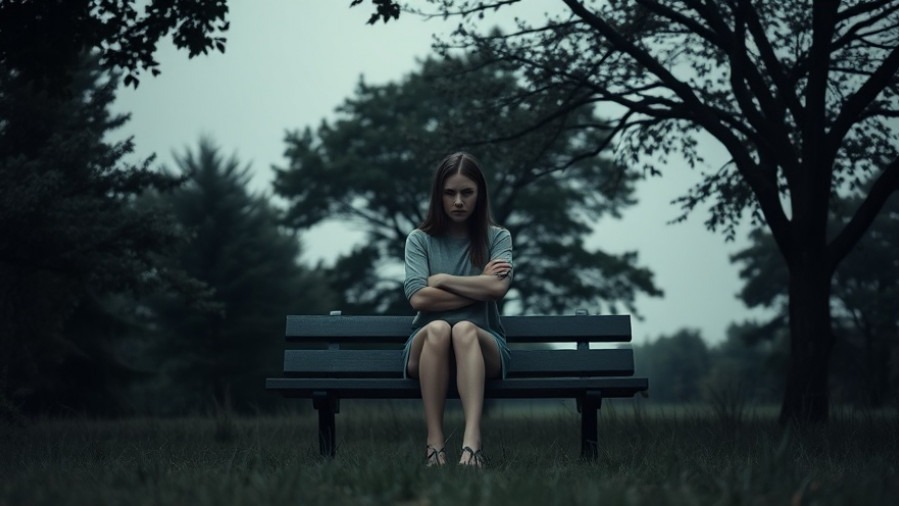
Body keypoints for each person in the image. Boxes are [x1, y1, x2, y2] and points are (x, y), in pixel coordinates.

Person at [402, 152, 513, 468]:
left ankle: (472, 442)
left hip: (483, 343)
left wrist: (442, 280)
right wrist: (479, 286)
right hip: (427, 347)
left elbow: (498, 289)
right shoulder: (419, 240)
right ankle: (435, 444)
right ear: (438, 196)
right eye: (450, 193)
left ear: (480, 194)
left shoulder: (498, 237)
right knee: (439, 328)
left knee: (463, 329)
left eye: (467, 192)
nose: (459, 201)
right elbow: (419, 299)